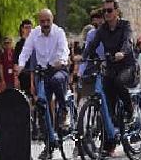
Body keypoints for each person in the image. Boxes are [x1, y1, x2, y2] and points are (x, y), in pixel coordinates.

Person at [17, 9, 70, 147]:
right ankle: (48, 142)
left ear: (52, 20)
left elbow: (64, 49)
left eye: (48, 21)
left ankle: (64, 110)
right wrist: (21, 65)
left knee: (56, 81)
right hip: (42, 73)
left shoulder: (59, 32)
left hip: (58, 70)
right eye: (42, 21)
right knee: (42, 104)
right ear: (39, 22)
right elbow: (26, 50)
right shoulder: (34, 34)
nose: (45, 24)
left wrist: (62, 60)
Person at [83, 0, 136, 125]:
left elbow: (128, 41)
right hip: (111, 67)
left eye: (109, 10)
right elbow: (92, 44)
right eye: (104, 11)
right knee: (106, 88)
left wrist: (122, 52)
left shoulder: (125, 25)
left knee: (118, 82)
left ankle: (130, 111)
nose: (106, 14)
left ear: (116, 11)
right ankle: (110, 123)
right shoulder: (102, 29)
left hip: (127, 66)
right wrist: (83, 56)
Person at [77, 9, 105, 102]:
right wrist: (81, 70)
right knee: (89, 82)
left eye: (99, 23)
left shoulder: (108, 32)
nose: (98, 27)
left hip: (108, 60)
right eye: (95, 25)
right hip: (95, 61)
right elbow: (87, 50)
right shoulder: (91, 34)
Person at [14, 19, 36, 97]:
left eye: (30, 27)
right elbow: (15, 62)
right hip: (23, 74)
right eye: (26, 27)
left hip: (35, 73)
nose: (28, 30)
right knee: (25, 97)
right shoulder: (19, 44)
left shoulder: (35, 42)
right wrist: (16, 78)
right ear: (22, 29)